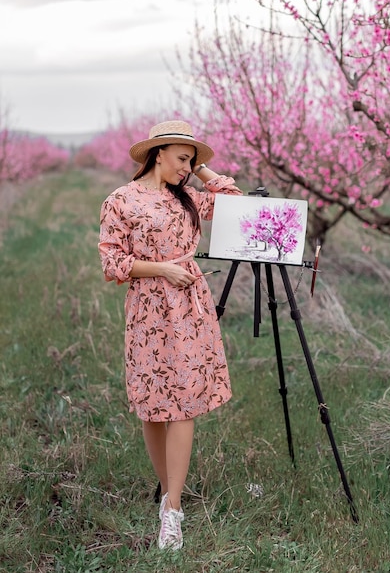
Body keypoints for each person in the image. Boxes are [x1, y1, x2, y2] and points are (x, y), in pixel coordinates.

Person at [98, 120, 242, 551]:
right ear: (157, 153)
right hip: (148, 308)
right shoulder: (120, 201)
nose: (186, 168)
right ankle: (167, 492)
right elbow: (112, 263)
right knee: (152, 403)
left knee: (183, 403)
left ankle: (172, 510)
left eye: (191, 161)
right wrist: (161, 268)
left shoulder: (189, 199)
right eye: (181, 158)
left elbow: (233, 203)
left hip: (189, 307)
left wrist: (200, 172)